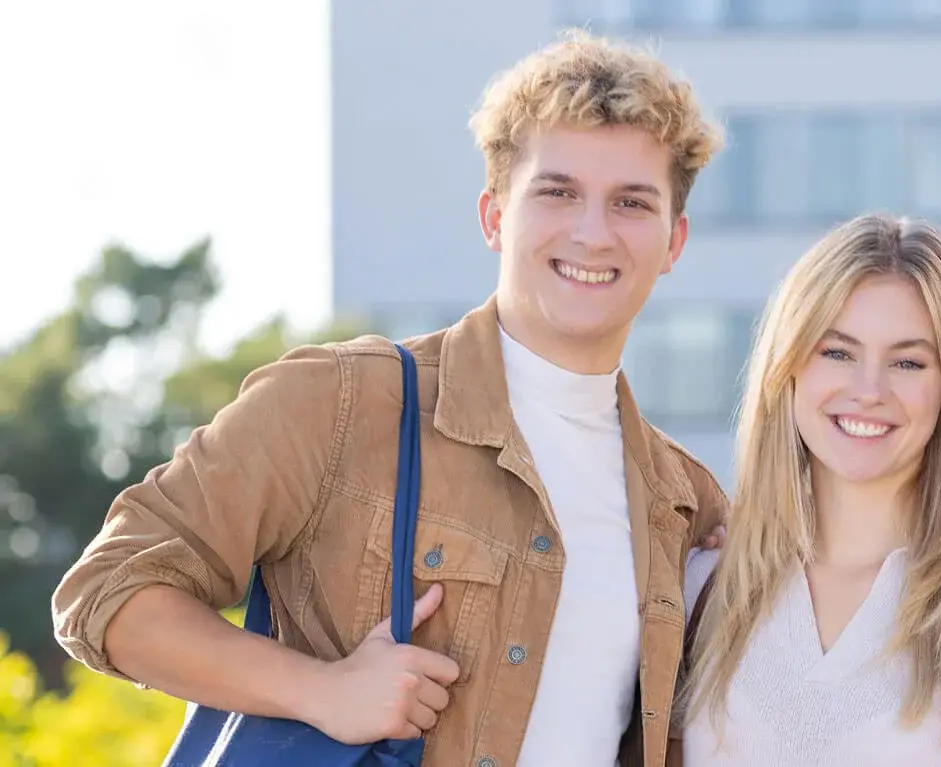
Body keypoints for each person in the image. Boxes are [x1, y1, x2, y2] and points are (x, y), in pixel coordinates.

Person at [50, 30, 728, 767]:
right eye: (557, 192)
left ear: (674, 241)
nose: (592, 233)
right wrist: (321, 689)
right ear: (495, 215)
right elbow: (107, 592)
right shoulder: (342, 403)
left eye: (631, 202)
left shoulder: (684, 502)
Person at [670, 214, 941, 767]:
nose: (869, 390)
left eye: (908, 362)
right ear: (787, 365)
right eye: (837, 352)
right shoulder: (698, 589)